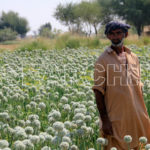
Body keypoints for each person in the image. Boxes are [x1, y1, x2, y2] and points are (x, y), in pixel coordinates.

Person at [92, 21, 150, 150]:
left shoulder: (134, 57)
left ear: (126, 34)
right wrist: (105, 120)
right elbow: (98, 91)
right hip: (116, 117)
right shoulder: (103, 60)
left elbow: (137, 88)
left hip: (137, 116)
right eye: (111, 34)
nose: (115, 37)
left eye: (118, 33)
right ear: (107, 36)